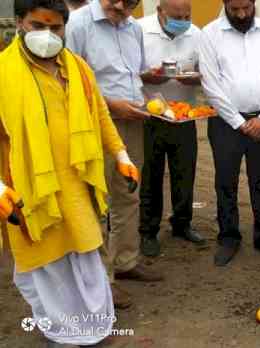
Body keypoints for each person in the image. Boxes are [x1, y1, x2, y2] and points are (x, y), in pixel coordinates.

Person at [2, 0, 140, 345]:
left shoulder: (77, 67)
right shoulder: (2, 72)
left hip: (79, 183)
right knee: (48, 268)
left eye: (55, 28)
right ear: (20, 22)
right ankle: (62, 334)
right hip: (30, 190)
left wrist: (121, 154)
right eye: (38, 26)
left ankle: (94, 329)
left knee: (87, 258)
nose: (47, 36)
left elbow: (101, 117)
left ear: (66, 26)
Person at [66, 0, 164, 310]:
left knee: (128, 193)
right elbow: (68, 82)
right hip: (93, 125)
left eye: (131, 1)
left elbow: (132, 74)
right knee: (96, 200)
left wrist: (149, 88)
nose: (121, 6)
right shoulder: (77, 23)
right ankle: (102, 281)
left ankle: (125, 261)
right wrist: (112, 105)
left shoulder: (133, 27)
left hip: (132, 123)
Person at [199, 0, 260, 266]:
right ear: (225, 4)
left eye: (246, 9)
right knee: (225, 181)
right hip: (226, 122)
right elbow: (211, 84)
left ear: (253, 4)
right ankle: (229, 238)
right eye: (235, 9)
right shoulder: (210, 34)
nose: (241, 15)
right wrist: (239, 122)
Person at [137, 0, 205, 258]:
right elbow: (128, 72)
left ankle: (182, 223)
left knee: (184, 174)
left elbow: (205, 71)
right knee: (151, 176)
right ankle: (148, 231)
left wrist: (195, 77)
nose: (183, 20)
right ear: (160, 12)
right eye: (177, 15)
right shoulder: (139, 31)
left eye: (187, 15)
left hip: (183, 116)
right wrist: (148, 77)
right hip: (148, 117)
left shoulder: (196, 34)